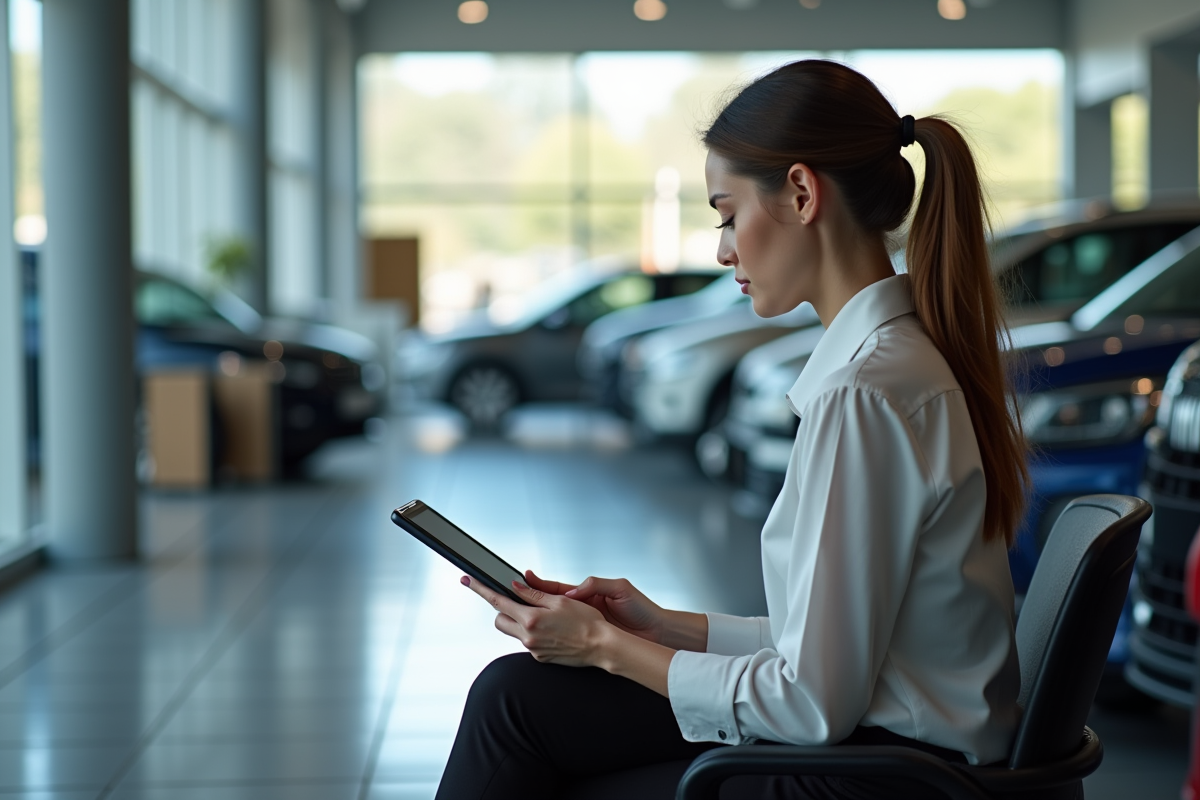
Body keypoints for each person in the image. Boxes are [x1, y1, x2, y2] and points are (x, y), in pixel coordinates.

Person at [436, 59, 1029, 800]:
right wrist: (659, 625)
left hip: (880, 777)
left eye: (726, 213)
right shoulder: (897, 363)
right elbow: (826, 652)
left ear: (803, 193)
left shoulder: (865, 392)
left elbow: (811, 702)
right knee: (515, 698)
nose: (722, 250)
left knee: (524, 725)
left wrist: (603, 646)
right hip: (888, 749)